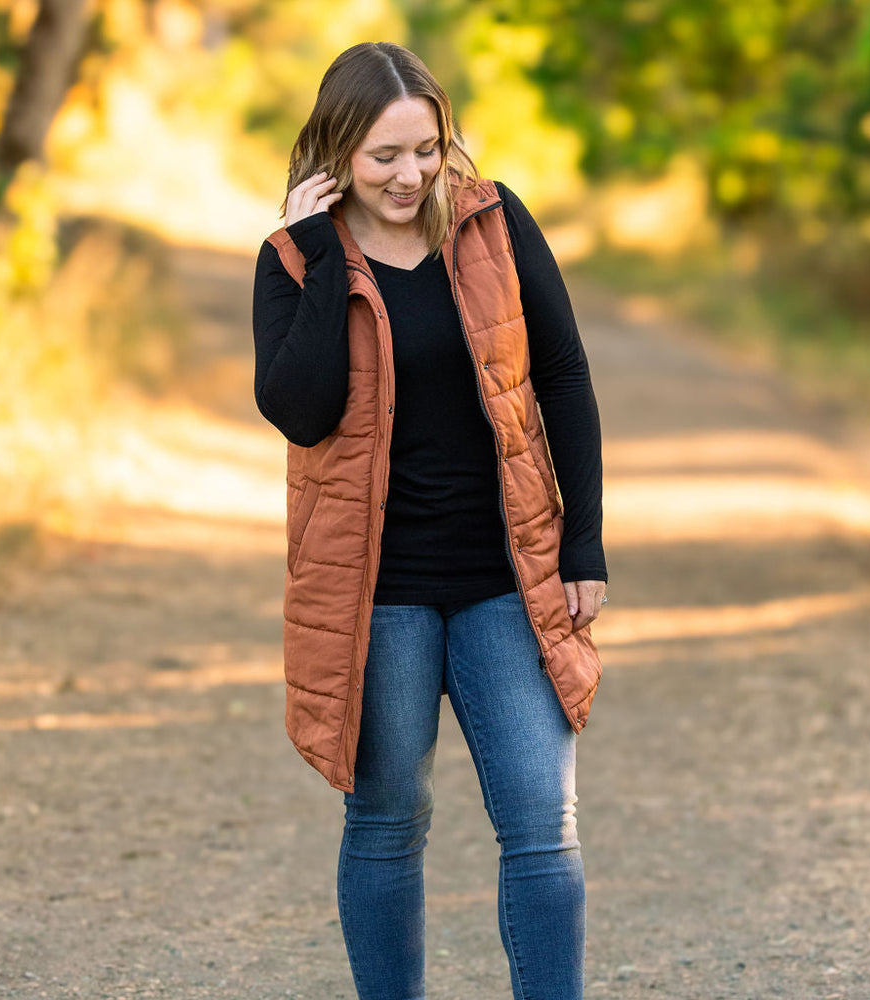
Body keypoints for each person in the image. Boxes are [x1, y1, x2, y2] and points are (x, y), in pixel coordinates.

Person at [252, 40, 607, 1000]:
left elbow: (564, 375)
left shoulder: (493, 222)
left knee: (543, 819)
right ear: (335, 157)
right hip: (379, 596)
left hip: (506, 579)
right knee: (387, 821)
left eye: (425, 148)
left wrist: (584, 545)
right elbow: (299, 409)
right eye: (383, 157)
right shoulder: (292, 258)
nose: (410, 175)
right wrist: (326, 257)